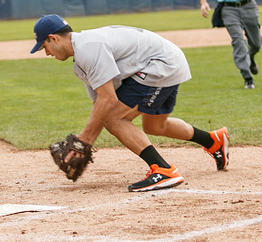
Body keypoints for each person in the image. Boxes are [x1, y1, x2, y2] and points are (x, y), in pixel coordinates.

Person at [30, 14, 229, 192]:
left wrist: (84, 140)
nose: (46, 52)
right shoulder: (82, 59)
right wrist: (85, 141)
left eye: (44, 46)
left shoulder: (89, 49)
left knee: (115, 119)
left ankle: (163, 170)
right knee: (154, 126)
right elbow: (100, 103)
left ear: (53, 38)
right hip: (163, 62)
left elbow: (108, 102)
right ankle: (213, 140)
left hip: (160, 65)